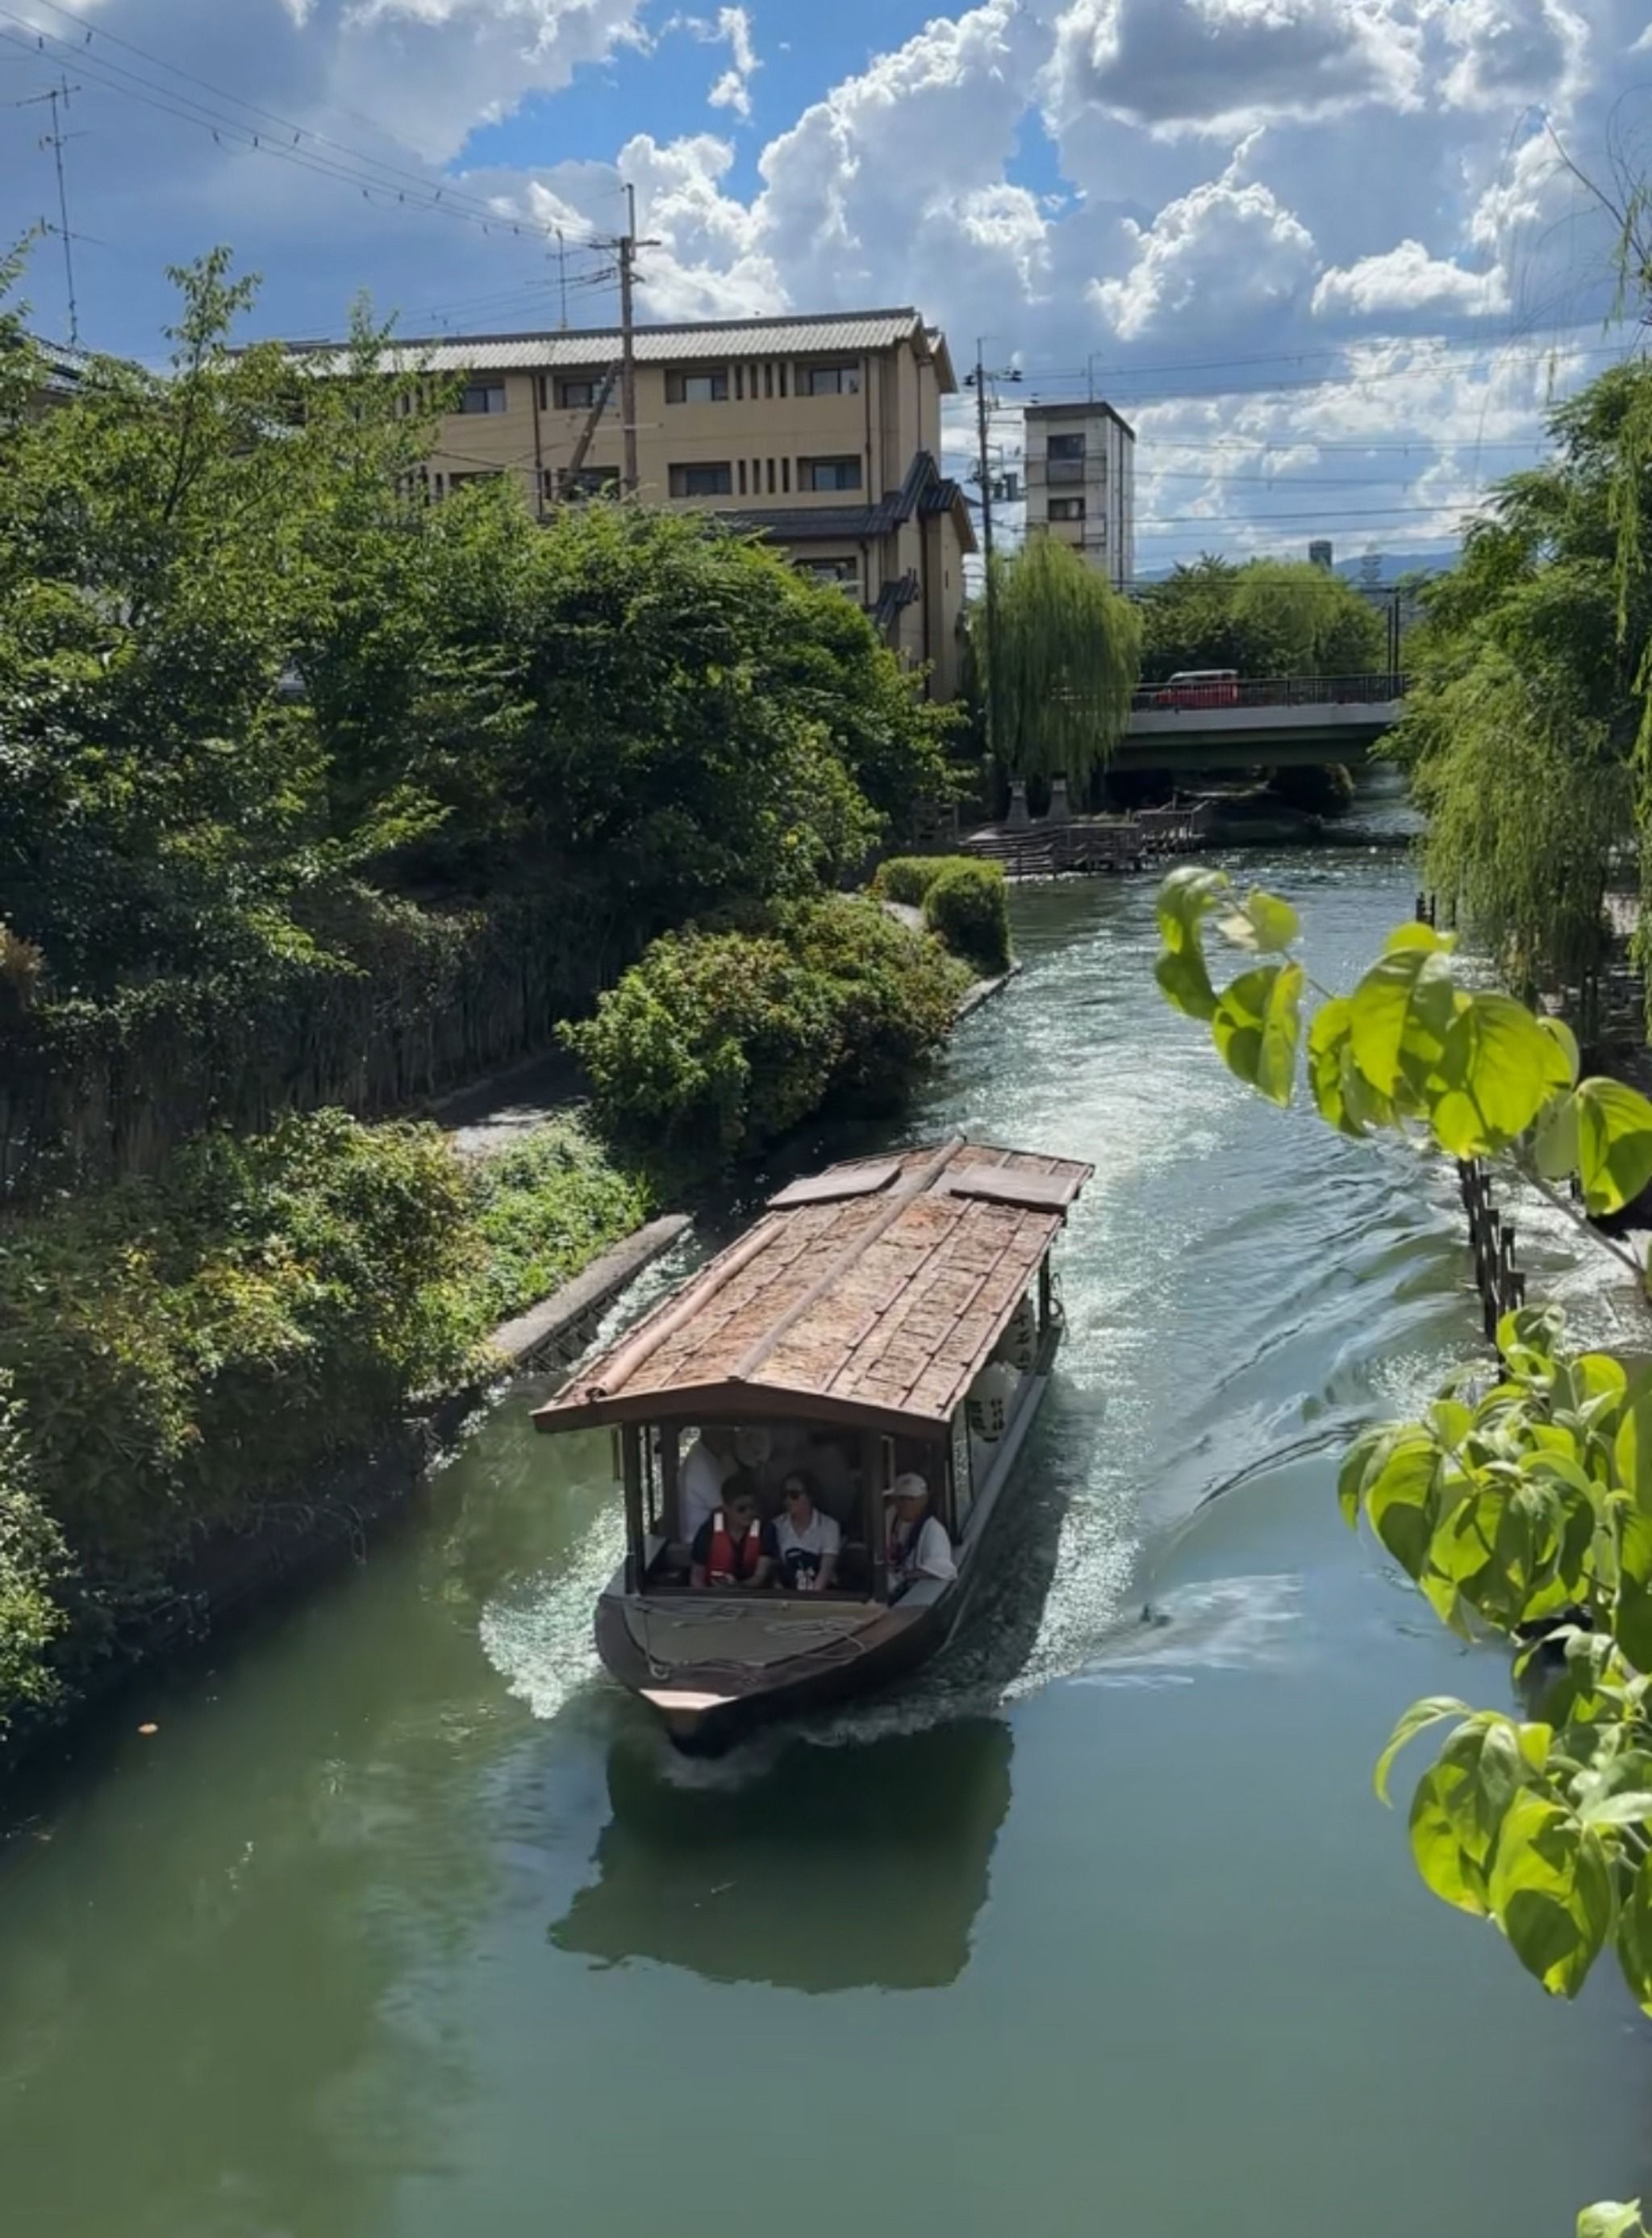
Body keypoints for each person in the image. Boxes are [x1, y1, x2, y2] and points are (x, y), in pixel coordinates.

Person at [690, 1485, 777, 1591]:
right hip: (713, 1595)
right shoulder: (708, 1530)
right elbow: (697, 1577)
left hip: (752, 1596)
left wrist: (737, 1587)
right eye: (742, 1509)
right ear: (726, 1508)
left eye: (752, 1507)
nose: (749, 1513)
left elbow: (759, 1577)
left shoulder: (766, 1529)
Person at [885, 1472, 956, 1592]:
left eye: (911, 1499)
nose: (906, 1504)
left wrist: (906, 1577)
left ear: (924, 1500)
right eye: (901, 1498)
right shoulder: (888, 1518)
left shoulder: (934, 1530)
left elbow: (944, 1569)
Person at [774, 1471, 841, 1593]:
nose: (788, 1500)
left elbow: (826, 1570)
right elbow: (776, 1572)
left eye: (794, 1495)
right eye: (785, 1495)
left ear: (810, 1496)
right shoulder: (776, 1526)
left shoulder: (829, 1526)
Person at [678, 1426, 737, 1545]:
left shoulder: (708, 1456)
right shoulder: (701, 1464)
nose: (733, 1437)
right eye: (728, 1431)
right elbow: (733, 1509)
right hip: (698, 1545)